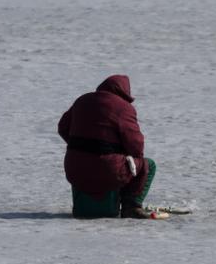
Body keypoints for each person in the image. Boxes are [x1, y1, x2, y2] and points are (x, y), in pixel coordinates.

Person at [58, 75, 156, 218]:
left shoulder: (82, 100)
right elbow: (136, 146)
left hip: (75, 168)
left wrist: (80, 148)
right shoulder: (123, 108)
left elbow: (62, 128)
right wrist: (121, 154)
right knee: (148, 165)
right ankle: (131, 206)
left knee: (87, 162)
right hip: (108, 169)